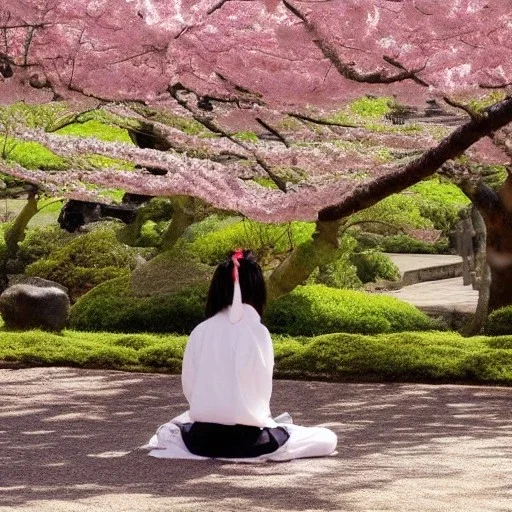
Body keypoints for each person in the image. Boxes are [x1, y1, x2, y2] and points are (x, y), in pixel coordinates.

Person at [145, 249, 337, 462]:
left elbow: (190, 387)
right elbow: (261, 392)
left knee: (169, 431)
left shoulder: (201, 330)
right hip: (251, 441)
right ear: (257, 289)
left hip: (201, 441)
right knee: (328, 438)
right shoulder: (257, 332)